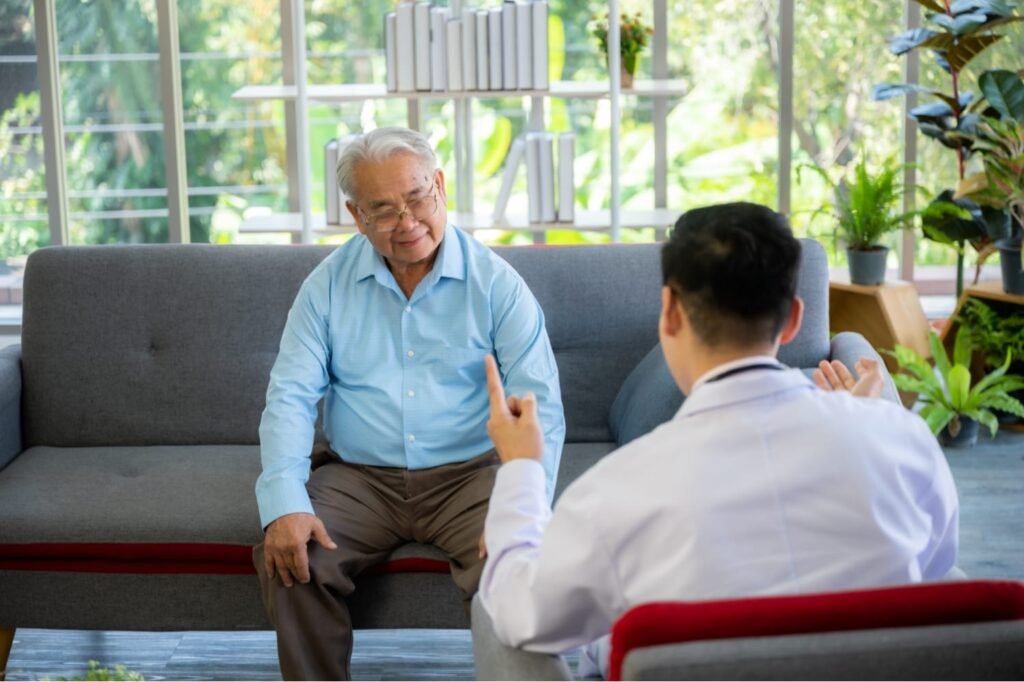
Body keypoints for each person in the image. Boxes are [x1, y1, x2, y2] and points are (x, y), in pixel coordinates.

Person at [478, 201, 958, 678]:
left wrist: (522, 469)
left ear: (669, 313)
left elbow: (521, 615)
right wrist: (862, 425)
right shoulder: (902, 441)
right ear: (793, 319)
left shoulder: (616, 491)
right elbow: (934, 569)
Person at [254, 127, 565, 680]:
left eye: (418, 197)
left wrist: (527, 505)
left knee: (514, 561)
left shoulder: (497, 284)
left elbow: (539, 406)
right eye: (383, 209)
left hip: (471, 475)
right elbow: (291, 396)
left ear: (440, 185)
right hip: (361, 478)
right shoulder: (325, 287)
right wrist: (284, 502)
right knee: (295, 558)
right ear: (356, 215)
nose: (407, 221)